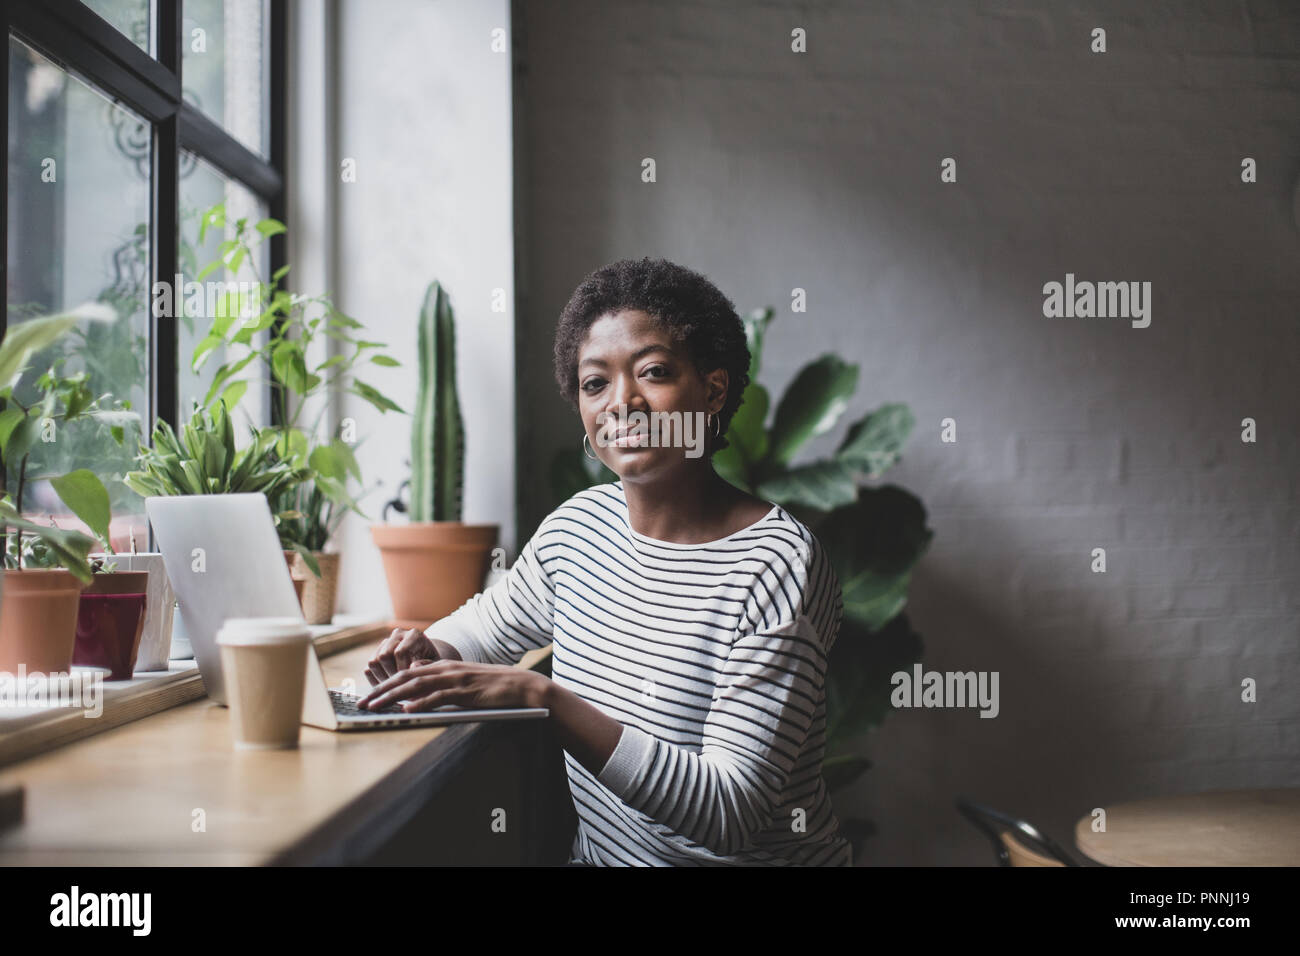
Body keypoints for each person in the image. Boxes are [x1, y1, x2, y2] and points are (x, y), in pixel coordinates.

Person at [360, 257, 853, 866]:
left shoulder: (778, 564)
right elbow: (484, 626)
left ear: (713, 389)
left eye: (653, 372)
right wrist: (428, 652)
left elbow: (730, 813)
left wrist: (547, 699)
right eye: (595, 383)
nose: (623, 402)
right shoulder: (580, 528)